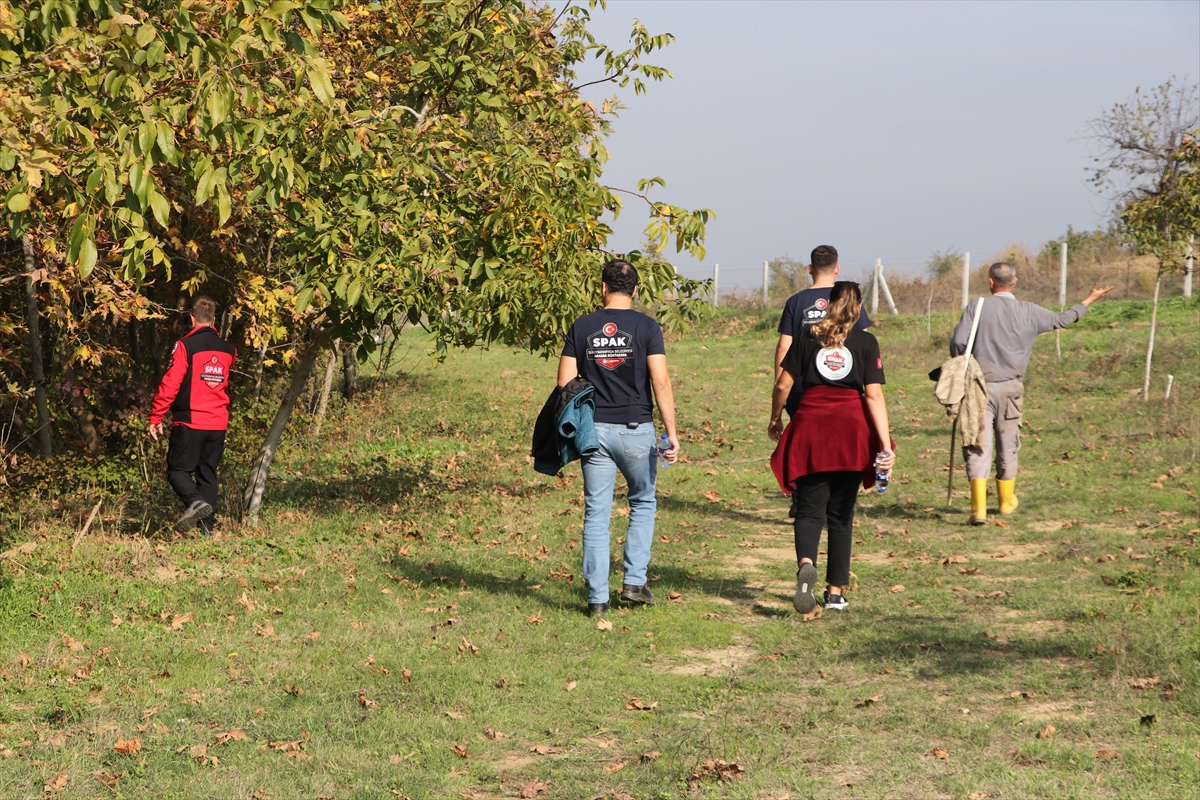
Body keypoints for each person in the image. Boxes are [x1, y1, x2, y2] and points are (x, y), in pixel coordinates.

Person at [558, 259, 679, 617]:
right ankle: (633, 583)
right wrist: (671, 433)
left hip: (594, 431)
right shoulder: (647, 327)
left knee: (597, 513)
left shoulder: (583, 327)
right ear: (636, 290)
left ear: (602, 288)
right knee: (642, 501)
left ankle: (597, 600)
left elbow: (564, 382)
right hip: (636, 430)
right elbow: (660, 381)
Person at [950, 263, 1112, 525]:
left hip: (979, 387)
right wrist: (1089, 300)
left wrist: (964, 365)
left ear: (991, 282)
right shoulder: (1030, 311)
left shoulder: (977, 307)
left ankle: (978, 510)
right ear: (1014, 282)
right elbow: (1063, 319)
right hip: (1012, 388)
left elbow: (959, 341)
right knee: (1008, 443)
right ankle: (1005, 502)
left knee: (978, 444)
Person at [768, 282, 894, 613]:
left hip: (811, 427)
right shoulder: (866, 341)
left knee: (810, 510)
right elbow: (873, 395)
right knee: (841, 514)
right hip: (851, 432)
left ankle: (806, 563)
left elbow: (783, 383)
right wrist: (884, 443)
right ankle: (835, 593)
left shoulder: (808, 337)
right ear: (858, 309)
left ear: (827, 305)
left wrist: (775, 418)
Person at [773, 245, 871, 517]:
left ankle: (804, 496)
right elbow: (858, 342)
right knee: (837, 439)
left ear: (809, 269)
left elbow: (784, 347)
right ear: (837, 269)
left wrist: (780, 384)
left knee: (805, 440)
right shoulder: (847, 297)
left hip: (803, 383)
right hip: (842, 386)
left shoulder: (796, 301)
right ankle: (835, 502)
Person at [149, 297, 237, 534]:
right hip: (218, 423)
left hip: (190, 421)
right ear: (215, 319)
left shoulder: (185, 346)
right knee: (207, 475)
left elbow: (171, 383)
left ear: (191, 317)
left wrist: (156, 416)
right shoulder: (229, 349)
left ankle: (195, 503)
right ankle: (207, 532)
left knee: (177, 471)